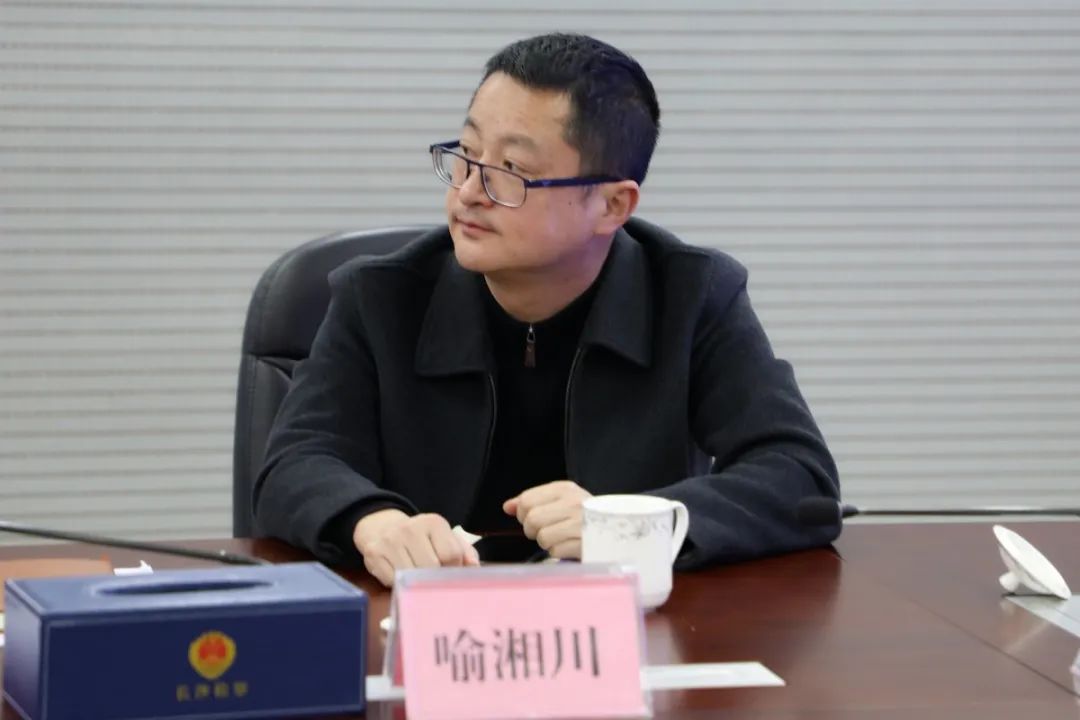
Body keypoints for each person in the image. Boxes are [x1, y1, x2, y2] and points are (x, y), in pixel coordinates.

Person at [253, 33, 840, 587]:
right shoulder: (379, 297)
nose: (468, 192)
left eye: (511, 171)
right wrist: (373, 520)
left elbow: (800, 478)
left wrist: (631, 523)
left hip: (623, 632)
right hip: (429, 622)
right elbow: (293, 464)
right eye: (467, 154)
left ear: (612, 205)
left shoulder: (693, 297)